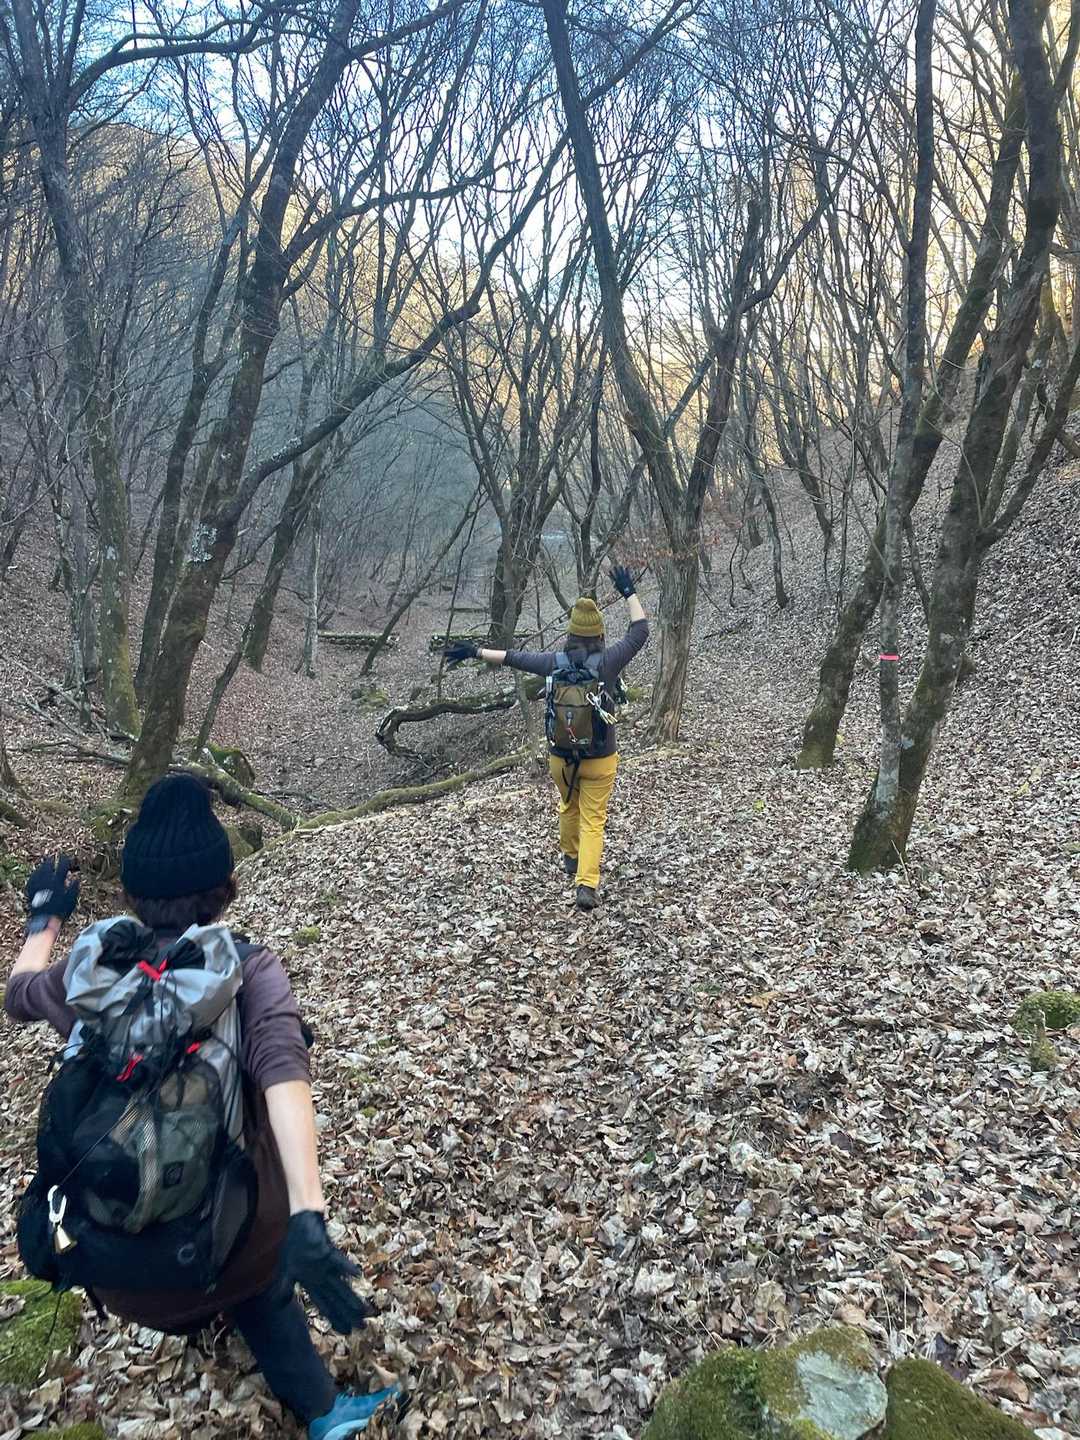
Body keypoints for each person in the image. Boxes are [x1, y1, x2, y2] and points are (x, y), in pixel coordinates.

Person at [5, 774, 400, 1440]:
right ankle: (324, 1412)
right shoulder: (248, 970)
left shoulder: (89, 972)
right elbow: (283, 1071)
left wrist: (44, 918)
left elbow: (17, 995)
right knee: (262, 1268)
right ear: (224, 888)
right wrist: (308, 1217)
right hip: (230, 1260)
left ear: (132, 892)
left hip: (105, 1265)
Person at [445, 565, 648, 910]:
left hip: (561, 756)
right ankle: (586, 884)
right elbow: (640, 631)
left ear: (571, 633)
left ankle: (571, 856)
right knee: (593, 819)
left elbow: (513, 657)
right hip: (601, 757)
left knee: (568, 804)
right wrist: (628, 592)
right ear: (599, 633)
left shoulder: (553, 662)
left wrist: (474, 652)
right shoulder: (609, 662)